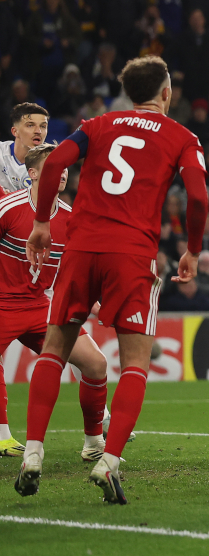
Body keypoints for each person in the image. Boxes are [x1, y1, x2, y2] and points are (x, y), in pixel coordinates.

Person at [17, 55, 209, 505]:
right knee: (136, 362)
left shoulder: (99, 123)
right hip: (131, 254)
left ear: (128, 92)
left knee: (53, 348)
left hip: (82, 247)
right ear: (166, 93)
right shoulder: (182, 136)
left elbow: (59, 157)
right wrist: (194, 250)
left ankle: (33, 452)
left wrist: (42, 222)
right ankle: (108, 461)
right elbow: (198, 194)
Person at [0, 144, 110, 462]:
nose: (62, 172)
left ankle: (93, 443)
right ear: (32, 174)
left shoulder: (72, 219)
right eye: (53, 166)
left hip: (39, 305)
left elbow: (73, 273)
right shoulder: (8, 208)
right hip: (3, 303)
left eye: (64, 167)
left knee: (96, 364)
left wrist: (94, 303)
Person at [1, 103, 48, 195]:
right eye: (30, 125)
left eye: (43, 126)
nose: (38, 131)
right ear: (15, 131)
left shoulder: (48, 165)